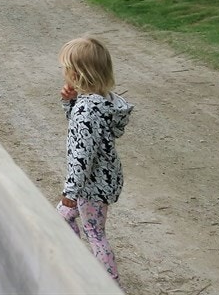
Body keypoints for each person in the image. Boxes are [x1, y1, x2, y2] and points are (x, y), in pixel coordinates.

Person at [56, 35, 133, 287]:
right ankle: (75, 267)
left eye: (66, 69)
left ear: (77, 74)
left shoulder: (87, 109)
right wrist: (71, 103)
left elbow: (82, 154)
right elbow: (84, 133)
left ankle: (109, 284)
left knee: (95, 233)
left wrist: (71, 191)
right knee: (63, 219)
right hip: (102, 180)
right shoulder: (101, 102)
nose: (64, 74)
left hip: (91, 185)